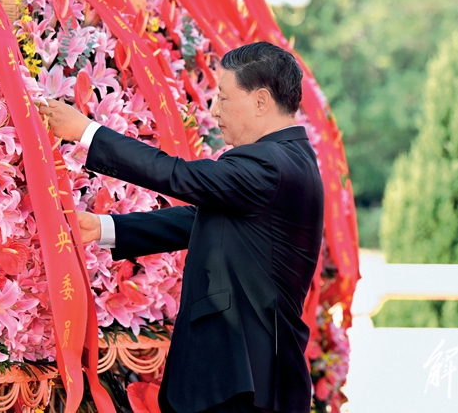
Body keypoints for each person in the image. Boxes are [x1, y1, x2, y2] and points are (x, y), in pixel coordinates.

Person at [40, 42, 324, 413]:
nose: (214, 109)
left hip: (243, 382)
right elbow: (203, 219)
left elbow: (178, 175)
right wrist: (104, 228)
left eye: (223, 97)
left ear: (260, 101)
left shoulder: (270, 163)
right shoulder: (288, 158)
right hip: (243, 376)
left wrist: (86, 132)